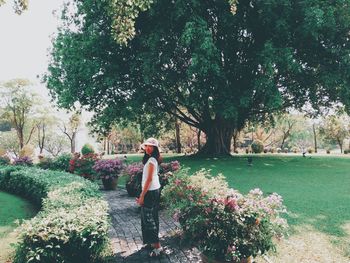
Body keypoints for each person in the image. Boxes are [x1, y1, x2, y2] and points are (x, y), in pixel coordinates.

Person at [136, 137, 163, 257]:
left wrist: (142, 196)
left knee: (148, 219)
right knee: (150, 216)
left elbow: (149, 179)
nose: (147, 148)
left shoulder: (152, 160)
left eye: (150, 146)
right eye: (146, 146)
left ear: (155, 148)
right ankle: (151, 242)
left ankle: (157, 247)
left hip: (150, 192)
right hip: (153, 191)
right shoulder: (152, 159)